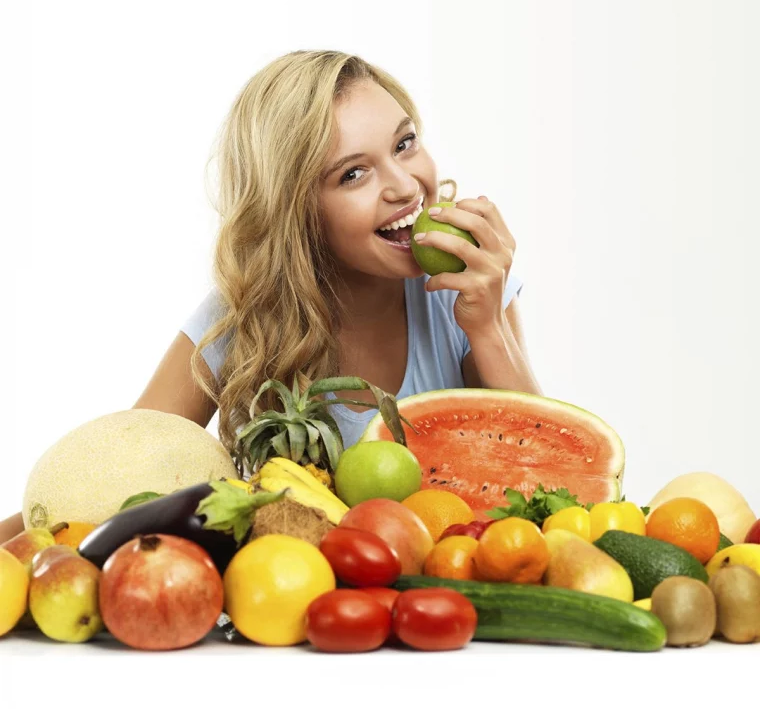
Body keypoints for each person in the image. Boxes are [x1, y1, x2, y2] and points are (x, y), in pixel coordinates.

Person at [0, 49, 542, 544]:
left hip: (462, 603)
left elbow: (547, 488)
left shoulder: (467, 290)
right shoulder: (240, 319)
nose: (404, 185)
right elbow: (113, 480)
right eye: (353, 174)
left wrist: (488, 326)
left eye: (405, 144)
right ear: (296, 211)